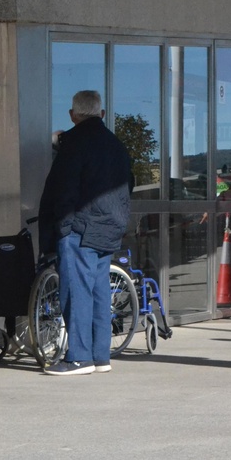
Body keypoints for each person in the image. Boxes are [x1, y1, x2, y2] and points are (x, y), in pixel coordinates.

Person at [39, 90, 132, 376]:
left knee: (77, 291)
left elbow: (62, 188)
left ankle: (78, 357)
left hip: (81, 227)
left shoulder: (74, 143)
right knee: (99, 290)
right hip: (109, 227)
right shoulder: (117, 145)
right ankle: (100, 355)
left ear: (73, 115)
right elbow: (128, 186)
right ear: (101, 114)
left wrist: (63, 226)